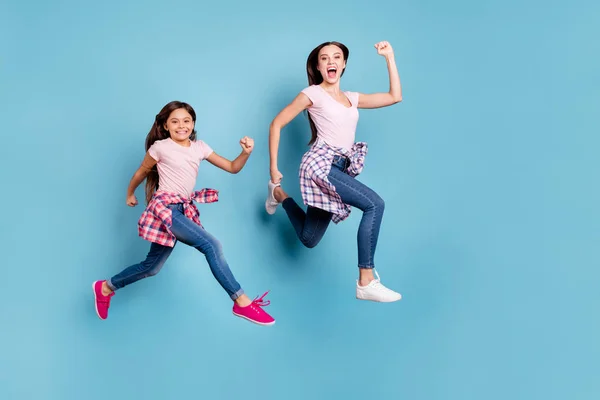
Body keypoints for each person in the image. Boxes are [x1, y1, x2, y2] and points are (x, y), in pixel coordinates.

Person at [93, 101, 275, 325]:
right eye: (175, 121)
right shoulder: (160, 147)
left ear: (193, 123)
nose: (182, 126)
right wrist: (130, 193)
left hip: (182, 209)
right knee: (212, 245)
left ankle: (105, 287)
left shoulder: (200, 147)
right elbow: (141, 172)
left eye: (186, 121)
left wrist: (245, 153)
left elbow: (232, 167)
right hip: (165, 208)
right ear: (166, 126)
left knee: (152, 267)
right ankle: (241, 302)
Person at [266, 40, 403, 302]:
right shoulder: (313, 94)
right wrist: (274, 166)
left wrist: (389, 57)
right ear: (318, 67)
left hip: (339, 167)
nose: (331, 62)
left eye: (336, 57)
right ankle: (366, 279)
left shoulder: (351, 98)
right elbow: (276, 124)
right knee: (375, 204)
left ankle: (279, 195)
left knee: (309, 238)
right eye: (325, 58)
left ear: (343, 64)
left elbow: (394, 96)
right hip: (320, 164)